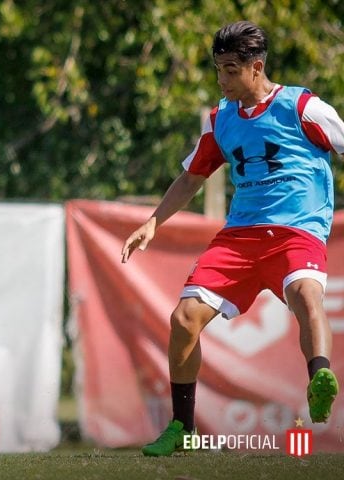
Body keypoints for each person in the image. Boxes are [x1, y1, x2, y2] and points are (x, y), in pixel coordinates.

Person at [121, 21, 344, 457]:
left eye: (229, 70)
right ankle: (182, 427)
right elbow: (191, 178)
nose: (221, 81)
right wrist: (153, 222)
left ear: (255, 67)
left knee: (305, 295)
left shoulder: (303, 108)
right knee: (184, 319)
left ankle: (320, 377)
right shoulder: (221, 119)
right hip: (239, 237)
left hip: (296, 231)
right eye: (218, 70)